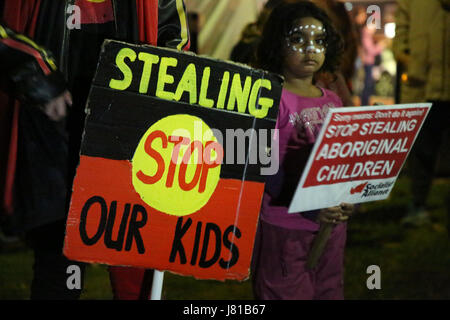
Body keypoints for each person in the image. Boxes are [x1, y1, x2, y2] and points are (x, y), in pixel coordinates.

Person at [0, 0, 190, 300]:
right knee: (58, 266)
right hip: (52, 135)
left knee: (134, 251)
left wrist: (159, 94)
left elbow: (174, 39)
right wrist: (37, 74)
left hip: (128, 135)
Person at [251, 1, 354, 300]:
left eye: (319, 41)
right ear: (276, 43)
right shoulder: (268, 98)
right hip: (285, 228)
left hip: (331, 227)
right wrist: (310, 207)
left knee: (328, 290)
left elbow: (344, 158)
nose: (311, 48)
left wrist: (350, 200)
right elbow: (264, 169)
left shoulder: (332, 100)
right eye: (298, 39)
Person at [392, 0, 450, 227]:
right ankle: (417, 204)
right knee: (422, 150)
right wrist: (410, 60)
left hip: (425, 85)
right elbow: (399, 39)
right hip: (422, 86)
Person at [355, 6, 385, 106]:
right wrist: (381, 46)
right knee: (367, 85)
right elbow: (371, 50)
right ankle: (364, 104)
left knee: (368, 85)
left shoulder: (364, 34)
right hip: (367, 62)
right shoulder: (365, 35)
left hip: (368, 62)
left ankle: (365, 103)